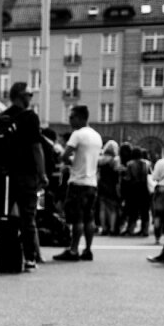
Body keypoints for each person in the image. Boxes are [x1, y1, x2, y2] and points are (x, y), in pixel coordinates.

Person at [0, 82, 48, 270]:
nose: (31, 98)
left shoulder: (1, 117)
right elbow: (36, 147)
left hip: (3, 175)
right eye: (29, 94)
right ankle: (29, 258)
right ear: (20, 96)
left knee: (2, 215)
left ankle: (1, 254)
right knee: (27, 217)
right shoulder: (30, 117)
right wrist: (42, 173)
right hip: (26, 175)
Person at [53, 105, 103, 262]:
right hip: (92, 183)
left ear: (81, 118)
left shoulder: (77, 134)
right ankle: (87, 250)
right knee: (89, 218)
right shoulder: (97, 136)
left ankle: (73, 250)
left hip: (78, 182)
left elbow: (64, 155)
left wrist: (70, 161)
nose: (70, 120)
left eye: (72, 117)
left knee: (77, 218)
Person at [147, 144, 164, 263]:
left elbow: (155, 177)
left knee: (158, 215)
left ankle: (157, 236)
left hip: (162, 190)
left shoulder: (161, 162)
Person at [122, 146, 151, 237]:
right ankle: (145, 230)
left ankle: (131, 229)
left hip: (133, 189)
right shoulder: (147, 163)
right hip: (145, 189)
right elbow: (150, 176)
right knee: (144, 211)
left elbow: (128, 177)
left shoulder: (130, 164)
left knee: (133, 210)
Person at [96, 140, 122, 237]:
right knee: (112, 209)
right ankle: (112, 228)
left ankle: (104, 228)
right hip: (112, 186)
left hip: (101, 185)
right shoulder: (115, 160)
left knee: (102, 208)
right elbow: (117, 173)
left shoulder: (100, 160)